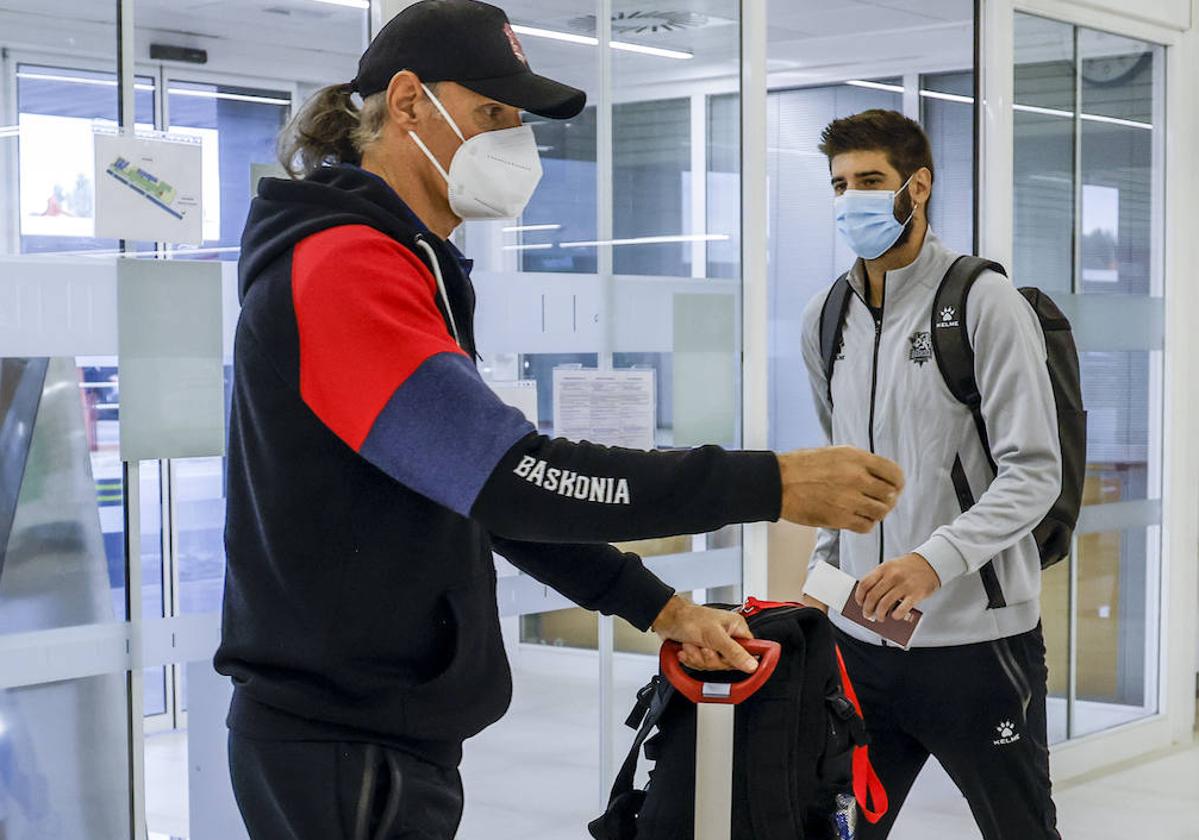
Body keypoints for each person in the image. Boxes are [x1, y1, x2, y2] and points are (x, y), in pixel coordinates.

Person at [216, 3, 904, 838]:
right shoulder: (345, 267)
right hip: (344, 744)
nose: (513, 141)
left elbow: (472, 492)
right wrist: (773, 481)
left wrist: (662, 608)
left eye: (517, 120)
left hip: (379, 733)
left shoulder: (404, 261)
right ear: (406, 103)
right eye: (491, 114)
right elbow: (511, 477)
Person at [799, 109, 1062, 839]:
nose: (851, 197)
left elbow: (1033, 472)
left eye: (870, 180)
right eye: (839, 183)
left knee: (1019, 828)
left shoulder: (983, 303)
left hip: (976, 645)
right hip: (860, 643)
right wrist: (824, 572)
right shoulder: (825, 317)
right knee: (835, 830)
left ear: (917, 187)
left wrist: (929, 562)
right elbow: (841, 471)